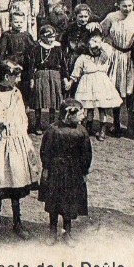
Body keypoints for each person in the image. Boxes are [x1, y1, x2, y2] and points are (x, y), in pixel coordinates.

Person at [0, 61, 40, 240]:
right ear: (7, 77)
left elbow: (22, 118)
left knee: (16, 183)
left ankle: (17, 221)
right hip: (0, 144)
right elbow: (0, 119)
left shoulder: (16, 93)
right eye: (16, 76)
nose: (19, 80)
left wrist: (23, 138)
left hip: (17, 143)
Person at [38, 99, 92, 247]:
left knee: (69, 201)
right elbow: (45, 151)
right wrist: (46, 168)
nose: (83, 117)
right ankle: (52, 231)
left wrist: (84, 171)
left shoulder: (81, 132)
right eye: (80, 114)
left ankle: (67, 231)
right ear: (69, 114)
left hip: (73, 172)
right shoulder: (53, 130)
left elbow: (86, 154)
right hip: (56, 171)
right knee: (54, 201)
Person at [101, 0, 134, 137]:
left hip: (130, 56)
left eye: (129, 5)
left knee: (130, 91)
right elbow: (101, 32)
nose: (127, 9)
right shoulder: (112, 17)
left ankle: (130, 125)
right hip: (116, 56)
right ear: (118, 5)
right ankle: (115, 124)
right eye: (124, 6)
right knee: (116, 90)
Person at [68, 32, 123, 141]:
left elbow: (108, 50)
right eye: (92, 41)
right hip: (87, 83)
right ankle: (88, 127)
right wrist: (71, 81)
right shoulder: (83, 57)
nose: (94, 44)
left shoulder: (104, 55)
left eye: (97, 41)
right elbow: (76, 70)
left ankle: (102, 129)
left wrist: (100, 43)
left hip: (101, 82)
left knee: (102, 107)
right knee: (89, 107)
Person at [28, 25, 67, 135]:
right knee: (39, 101)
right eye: (48, 37)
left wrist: (65, 78)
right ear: (42, 37)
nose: (51, 39)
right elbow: (31, 65)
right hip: (40, 75)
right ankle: (38, 124)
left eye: (53, 37)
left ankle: (52, 124)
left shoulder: (58, 48)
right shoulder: (36, 48)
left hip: (54, 75)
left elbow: (63, 64)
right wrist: (31, 79)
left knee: (53, 102)